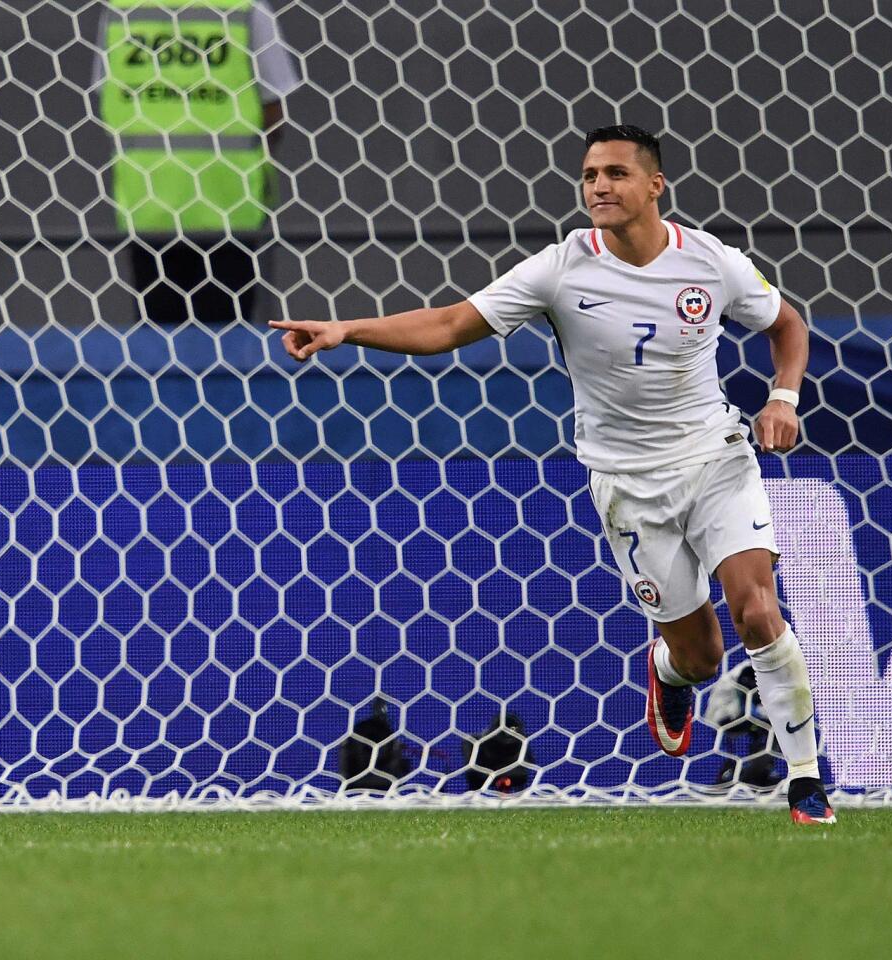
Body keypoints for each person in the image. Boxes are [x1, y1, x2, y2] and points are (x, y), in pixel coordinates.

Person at [270, 124, 836, 825]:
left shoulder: (710, 262)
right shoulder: (559, 268)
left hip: (715, 456)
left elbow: (786, 324)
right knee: (700, 654)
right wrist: (344, 329)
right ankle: (665, 672)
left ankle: (806, 781)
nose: (598, 185)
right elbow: (448, 325)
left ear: (654, 185)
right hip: (626, 483)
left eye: (616, 174)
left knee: (756, 609)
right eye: (589, 174)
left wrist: (782, 397)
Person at [93, 0, 298, 324]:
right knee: (228, 345)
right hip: (229, 201)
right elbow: (274, 110)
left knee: (158, 344)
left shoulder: (122, 11)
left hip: (149, 202)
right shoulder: (246, 9)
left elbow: (109, 96)